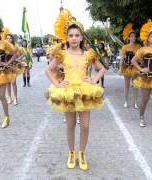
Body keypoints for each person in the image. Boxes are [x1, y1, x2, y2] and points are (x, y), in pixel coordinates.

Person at [46, 9, 106, 170]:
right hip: (68, 93)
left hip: (85, 92)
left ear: (81, 37)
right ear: (67, 37)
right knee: (71, 125)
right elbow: (49, 70)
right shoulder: (62, 54)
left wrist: (93, 80)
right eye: (71, 35)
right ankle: (71, 152)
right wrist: (58, 84)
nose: (74, 38)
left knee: (85, 126)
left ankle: (82, 152)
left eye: (77, 35)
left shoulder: (88, 54)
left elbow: (101, 69)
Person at [119, 23, 141, 108]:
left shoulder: (138, 46)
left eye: (134, 36)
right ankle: (126, 101)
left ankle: (135, 102)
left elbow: (140, 57)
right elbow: (122, 58)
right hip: (127, 67)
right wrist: (121, 68)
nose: (133, 38)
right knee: (126, 85)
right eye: (131, 36)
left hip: (135, 68)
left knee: (135, 85)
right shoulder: (124, 47)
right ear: (128, 38)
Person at [4, 32, 24, 105]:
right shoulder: (4, 47)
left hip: (13, 66)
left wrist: (18, 59)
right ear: (5, 39)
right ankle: (9, 97)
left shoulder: (15, 46)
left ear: (12, 39)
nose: (9, 39)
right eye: (7, 38)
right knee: (7, 83)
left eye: (10, 38)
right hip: (5, 66)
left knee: (13, 83)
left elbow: (22, 54)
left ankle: (15, 98)